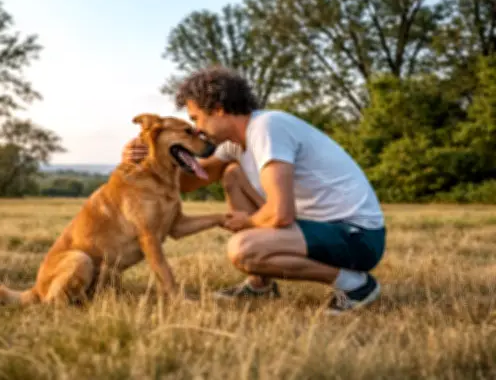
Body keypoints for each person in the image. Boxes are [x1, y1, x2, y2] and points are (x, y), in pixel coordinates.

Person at [121, 66, 386, 314]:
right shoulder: (235, 143)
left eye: (196, 119)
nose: (197, 131)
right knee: (233, 175)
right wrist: (145, 160)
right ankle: (260, 286)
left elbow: (281, 214)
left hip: (358, 236)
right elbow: (188, 183)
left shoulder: (267, 128)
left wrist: (247, 222)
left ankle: (355, 285)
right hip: (324, 228)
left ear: (219, 109)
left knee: (244, 249)